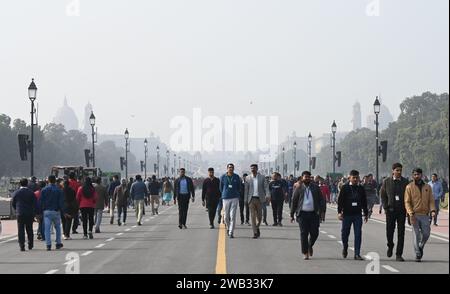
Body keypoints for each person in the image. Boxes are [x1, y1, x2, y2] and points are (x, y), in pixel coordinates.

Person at [290, 171, 326, 260]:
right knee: (304, 233)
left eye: (308, 177)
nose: (307, 178)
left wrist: (322, 212)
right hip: (302, 214)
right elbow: (294, 201)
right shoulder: (298, 188)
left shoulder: (316, 188)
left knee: (315, 233)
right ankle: (305, 252)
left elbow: (321, 200)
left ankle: (310, 245)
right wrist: (291, 214)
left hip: (314, 214)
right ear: (302, 178)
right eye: (305, 177)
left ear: (310, 178)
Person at [405, 168, 436, 262]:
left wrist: (433, 210)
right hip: (414, 214)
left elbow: (431, 200)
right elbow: (407, 202)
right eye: (414, 174)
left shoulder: (427, 187)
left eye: (418, 174)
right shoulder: (409, 187)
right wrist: (410, 213)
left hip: (425, 214)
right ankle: (417, 254)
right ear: (412, 175)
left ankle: (420, 246)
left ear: (421, 175)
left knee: (426, 234)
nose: (416, 176)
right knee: (416, 234)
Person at [380, 163, 409, 262]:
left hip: (402, 210)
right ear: (392, 171)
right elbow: (383, 195)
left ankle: (399, 254)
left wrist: (408, 211)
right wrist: (385, 207)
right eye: (397, 170)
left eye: (400, 170)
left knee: (401, 233)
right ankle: (390, 245)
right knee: (389, 231)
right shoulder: (387, 181)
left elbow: (408, 196)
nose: (399, 172)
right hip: (390, 210)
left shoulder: (405, 182)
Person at [337, 170, 368, 260]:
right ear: (349, 178)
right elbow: (340, 201)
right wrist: (339, 212)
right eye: (353, 177)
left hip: (357, 215)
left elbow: (364, 201)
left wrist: (366, 213)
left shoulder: (361, 188)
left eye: (356, 178)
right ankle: (345, 247)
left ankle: (357, 254)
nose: (355, 179)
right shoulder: (345, 187)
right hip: (347, 215)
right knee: (344, 234)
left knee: (358, 234)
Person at [244, 164, 270, 239]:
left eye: (254, 168)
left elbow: (266, 187)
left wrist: (268, 194)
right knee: (252, 216)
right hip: (251, 199)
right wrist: (245, 199)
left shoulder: (262, 177)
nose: (253, 169)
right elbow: (246, 190)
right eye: (251, 168)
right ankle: (255, 232)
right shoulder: (248, 178)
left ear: (257, 169)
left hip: (260, 199)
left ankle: (257, 227)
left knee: (259, 217)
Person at [39, 175, 64, 251]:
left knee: (47, 229)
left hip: (47, 211)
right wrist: (61, 210)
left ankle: (48, 244)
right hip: (56, 211)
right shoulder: (59, 190)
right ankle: (58, 243)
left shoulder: (44, 190)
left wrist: (40, 211)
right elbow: (61, 201)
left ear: (48, 181)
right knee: (58, 228)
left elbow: (41, 201)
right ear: (55, 181)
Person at [12, 178, 37, 251]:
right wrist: (34, 212)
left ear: (20, 183)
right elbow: (35, 203)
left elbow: (13, 202)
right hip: (29, 213)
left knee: (21, 230)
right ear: (27, 184)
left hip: (20, 213)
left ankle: (22, 245)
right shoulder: (31, 192)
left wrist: (17, 209)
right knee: (29, 229)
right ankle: (30, 244)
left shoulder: (16, 192)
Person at [219, 164, 241, 238]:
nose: (231, 169)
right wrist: (224, 193)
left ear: (233, 169)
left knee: (232, 216)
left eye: (232, 167)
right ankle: (228, 228)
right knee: (226, 216)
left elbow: (239, 187)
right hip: (225, 198)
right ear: (227, 168)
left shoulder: (236, 177)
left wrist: (236, 193)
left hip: (234, 198)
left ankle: (231, 232)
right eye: (229, 167)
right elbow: (221, 187)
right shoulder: (223, 177)